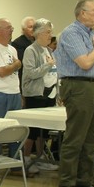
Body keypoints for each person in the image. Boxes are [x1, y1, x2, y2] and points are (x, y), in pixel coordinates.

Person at [54, 0, 94, 187]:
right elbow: (85, 63)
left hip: (93, 86)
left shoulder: (91, 33)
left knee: (91, 137)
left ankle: (85, 180)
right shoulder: (71, 33)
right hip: (78, 86)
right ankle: (67, 181)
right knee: (76, 136)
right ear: (82, 13)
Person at [21, 19, 59, 172]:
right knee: (33, 129)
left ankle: (40, 157)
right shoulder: (31, 50)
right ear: (38, 34)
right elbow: (31, 73)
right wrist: (47, 65)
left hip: (49, 94)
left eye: (50, 32)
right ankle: (26, 159)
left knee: (44, 130)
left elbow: (55, 73)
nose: (50, 35)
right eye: (47, 32)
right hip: (35, 94)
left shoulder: (49, 50)